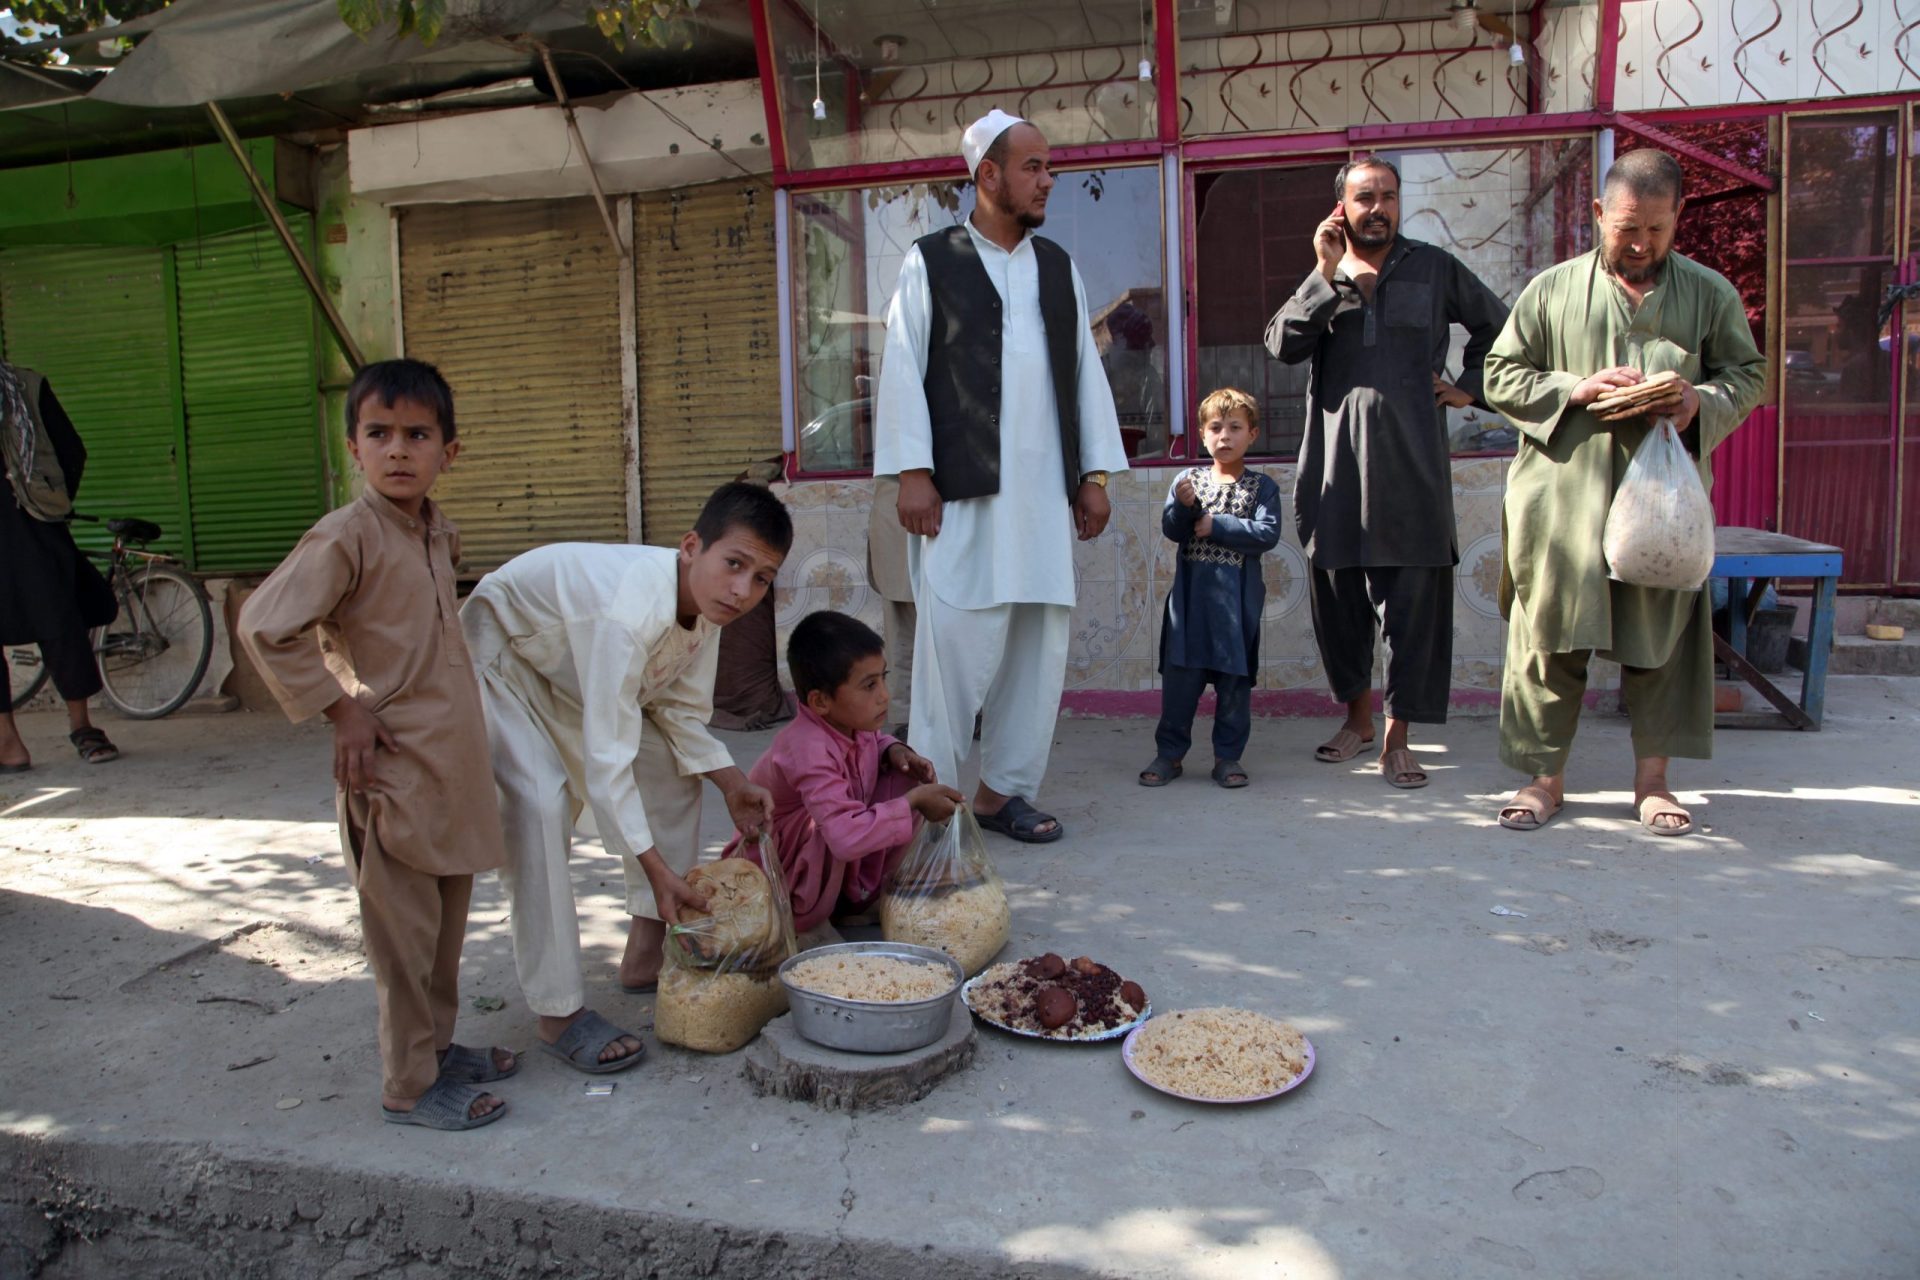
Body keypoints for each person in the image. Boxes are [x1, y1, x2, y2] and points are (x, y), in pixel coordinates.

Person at [237, 359, 514, 1131]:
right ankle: (407, 1085)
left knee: (443, 923)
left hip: (447, 763)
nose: (398, 450)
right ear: (352, 446)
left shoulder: (434, 531)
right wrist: (342, 711)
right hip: (387, 764)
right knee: (401, 937)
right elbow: (267, 623)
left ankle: (438, 1048)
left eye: (417, 435)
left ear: (447, 452)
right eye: (379, 433)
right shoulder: (346, 534)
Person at [1481, 149, 1766, 835]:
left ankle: (1653, 783)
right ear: (1600, 214)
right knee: (1551, 638)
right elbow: (1498, 374)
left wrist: (1696, 402)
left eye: (1657, 230)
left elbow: (1748, 375)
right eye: (1626, 228)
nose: (1639, 244)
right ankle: (1544, 780)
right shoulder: (1551, 291)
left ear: (1678, 222)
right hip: (1563, 504)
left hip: (1662, 513)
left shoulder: (1708, 293)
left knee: (1659, 643)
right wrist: (1573, 388)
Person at [460, 483, 787, 1073]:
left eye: (761, 578)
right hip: (502, 660)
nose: (743, 590)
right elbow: (608, 758)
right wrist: (656, 870)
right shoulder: (627, 614)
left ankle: (644, 952)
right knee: (540, 805)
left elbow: (680, 715)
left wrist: (732, 782)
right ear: (691, 547)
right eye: (734, 564)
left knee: (670, 764)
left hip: (568, 674)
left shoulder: (707, 608)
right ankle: (557, 1011)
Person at [872, 107, 1131, 844]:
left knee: (1037, 647)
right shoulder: (932, 260)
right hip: (962, 495)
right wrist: (912, 472)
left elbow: (1084, 375)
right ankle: (933, 808)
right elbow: (903, 369)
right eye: (1034, 168)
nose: (1049, 180)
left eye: (1049, 168)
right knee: (952, 657)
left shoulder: (1058, 269)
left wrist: (1095, 478)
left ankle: (1002, 793)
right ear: (988, 176)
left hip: (1044, 501)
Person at [1266, 156, 1509, 790]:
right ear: (1341, 207)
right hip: (1334, 467)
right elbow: (1281, 344)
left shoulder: (1431, 267)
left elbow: (1499, 327)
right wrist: (1323, 272)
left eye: (1389, 196)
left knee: (1412, 606)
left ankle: (1399, 736)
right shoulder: (1326, 276)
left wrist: (1467, 389)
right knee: (1339, 599)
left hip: (1413, 468)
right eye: (1365, 196)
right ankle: (1358, 719)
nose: (1379, 207)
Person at [721, 610, 964, 933]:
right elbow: (844, 839)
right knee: (829, 825)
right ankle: (805, 920)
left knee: (903, 774)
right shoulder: (807, 746)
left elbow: (872, 744)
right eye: (869, 685)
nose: (884, 695)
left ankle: (855, 901)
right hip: (778, 868)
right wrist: (914, 803)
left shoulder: (853, 723)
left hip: (829, 853)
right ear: (820, 702)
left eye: (883, 678)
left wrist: (894, 750)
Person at [1139, 388, 1282, 790]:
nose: (1225, 436)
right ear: (1202, 435)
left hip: (1236, 610)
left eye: (1235, 427)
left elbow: (1268, 534)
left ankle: (1228, 757)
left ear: (1251, 434)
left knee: (1234, 685)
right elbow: (1173, 530)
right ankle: (1169, 755)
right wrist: (1183, 508)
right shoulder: (1187, 482)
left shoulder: (1262, 487)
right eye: (1215, 428)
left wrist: (1217, 525)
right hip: (1189, 607)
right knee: (1180, 684)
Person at [0, 361, 121, 771]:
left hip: (29, 522)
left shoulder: (26, 385)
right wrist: (50, 499)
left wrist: (48, 502)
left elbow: (70, 451)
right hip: (34, 521)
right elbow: (71, 452)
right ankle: (78, 728)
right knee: (59, 622)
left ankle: (13, 742)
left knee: (59, 621)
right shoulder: (21, 383)